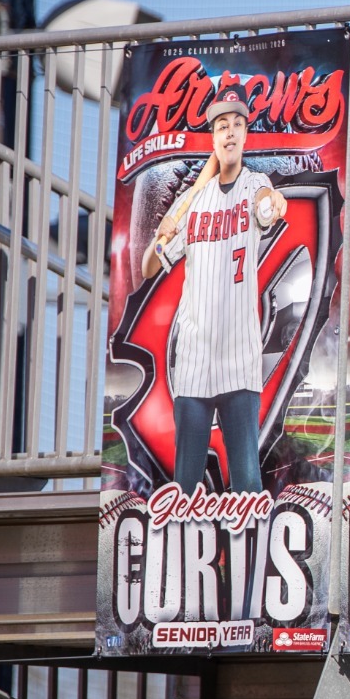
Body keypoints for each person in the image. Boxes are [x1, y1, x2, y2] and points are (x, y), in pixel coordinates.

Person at [144, 81, 287, 493]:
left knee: (246, 480)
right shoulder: (194, 200)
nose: (229, 132)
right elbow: (148, 266)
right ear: (213, 135)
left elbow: (266, 202)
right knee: (185, 484)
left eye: (236, 124)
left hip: (239, 360)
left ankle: (249, 556)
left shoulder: (253, 183)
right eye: (221, 124)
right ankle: (181, 556)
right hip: (192, 359)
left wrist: (273, 201)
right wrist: (163, 232)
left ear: (245, 133)